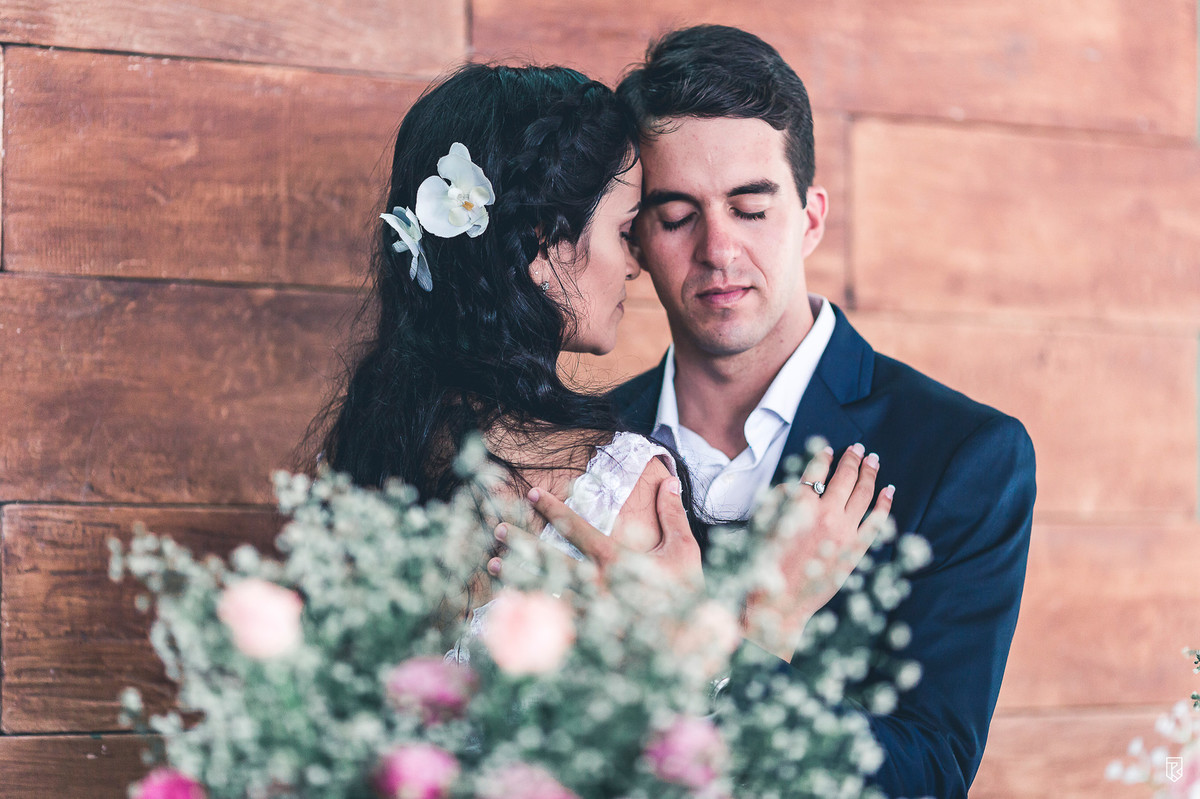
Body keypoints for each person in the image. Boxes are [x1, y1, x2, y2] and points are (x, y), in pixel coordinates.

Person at [524, 25, 1036, 798]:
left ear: (811, 218)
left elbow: (927, 776)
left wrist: (715, 659)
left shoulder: (965, 454)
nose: (718, 249)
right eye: (676, 215)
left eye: (751, 207)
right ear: (634, 242)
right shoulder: (576, 449)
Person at [309, 63, 887, 629]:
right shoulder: (617, 476)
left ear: (812, 220)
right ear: (543, 243)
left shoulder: (360, 454)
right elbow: (666, 723)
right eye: (647, 223)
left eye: (752, 210)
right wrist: (763, 623)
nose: (634, 261)